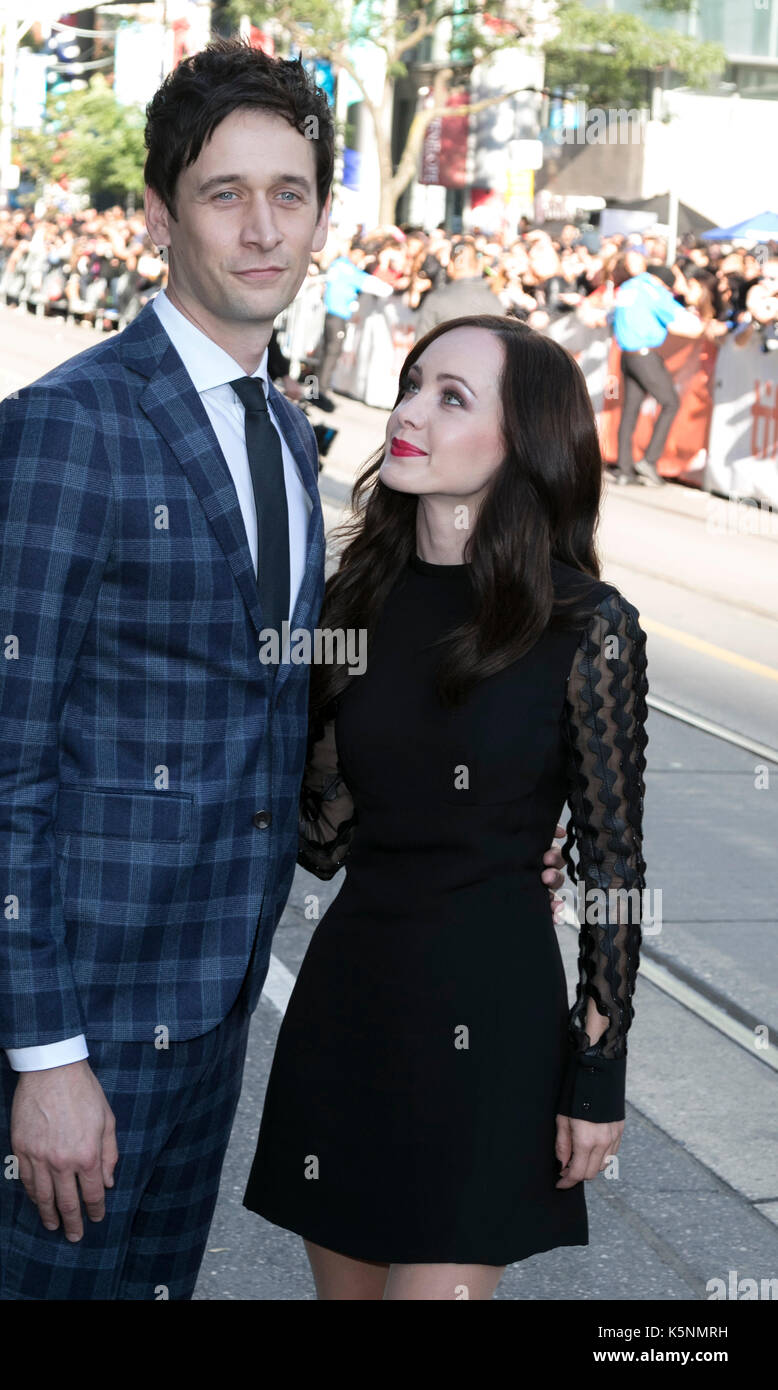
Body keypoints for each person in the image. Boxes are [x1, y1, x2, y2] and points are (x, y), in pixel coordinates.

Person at [0, 39, 569, 1303]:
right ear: (162, 208)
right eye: (226, 192)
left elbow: (291, 716)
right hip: (89, 1010)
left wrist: (486, 821)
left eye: (290, 193)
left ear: (324, 215)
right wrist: (45, 1055)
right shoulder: (68, 424)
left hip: (221, 1004)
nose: (262, 226)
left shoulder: (286, 429)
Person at [242, 314, 650, 1301]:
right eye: (413, 384)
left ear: (525, 446)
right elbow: (322, 834)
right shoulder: (351, 603)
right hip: (350, 1007)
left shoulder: (586, 626)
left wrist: (596, 1072)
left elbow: (616, 869)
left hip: (493, 1024)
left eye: (451, 397)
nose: (410, 411)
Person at [609, 252, 723, 487]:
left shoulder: (629, 286)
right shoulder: (654, 291)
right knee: (671, 402)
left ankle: (624, 470)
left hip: (626, 354)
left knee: (630, 412)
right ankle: (649, 460)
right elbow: (682, 323)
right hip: (645, 354)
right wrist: (706, 325)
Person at [313, 239, 394, 409]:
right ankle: (320, 392)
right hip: (337, 315)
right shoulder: (347, 268)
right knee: (331, 354)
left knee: (326, 353)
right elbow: (367, 283)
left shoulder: (339, 264)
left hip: (332, 314)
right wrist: (392, 288)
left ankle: (316, 391)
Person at [412, 237, 504, 337]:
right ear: (478, 265)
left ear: (451, 265)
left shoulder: (436, 300)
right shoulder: (495, 301)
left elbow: (420, 346)